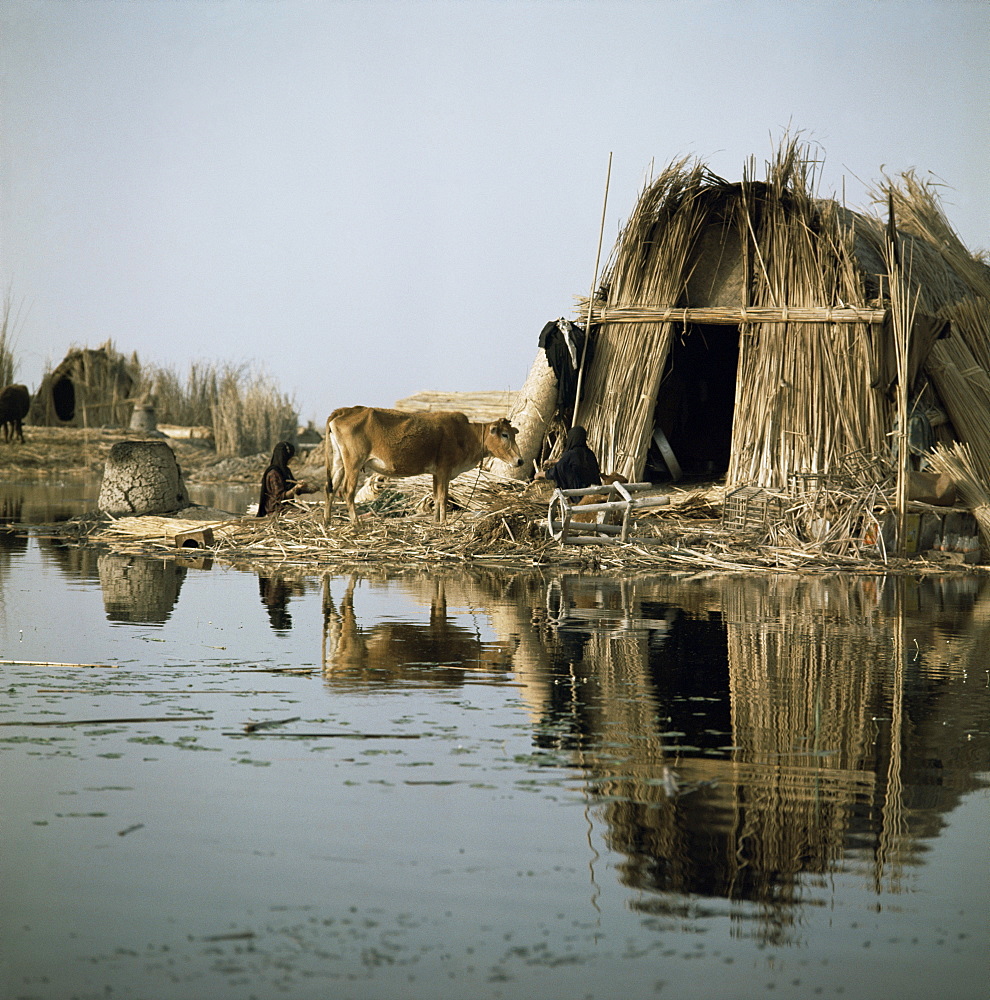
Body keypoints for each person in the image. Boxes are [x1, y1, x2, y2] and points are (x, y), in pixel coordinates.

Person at [537, 425, 602, 491]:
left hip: (580, 494)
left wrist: (540, 474)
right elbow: (575, 461)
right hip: (595, 490)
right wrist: (553, 461)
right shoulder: (590, 454)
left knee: (561, 466)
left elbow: (557, 470)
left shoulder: (571, 454)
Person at [257, 441, 309, 516]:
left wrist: (308, 489)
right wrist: (295, 488)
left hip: (287, 507)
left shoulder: (286, 471)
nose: (291, 460)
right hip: (276, 510)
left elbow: (294, 488)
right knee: (307, 513)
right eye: (290, 457)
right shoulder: (273, 473)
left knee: (312, 510)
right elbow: (280, 497)